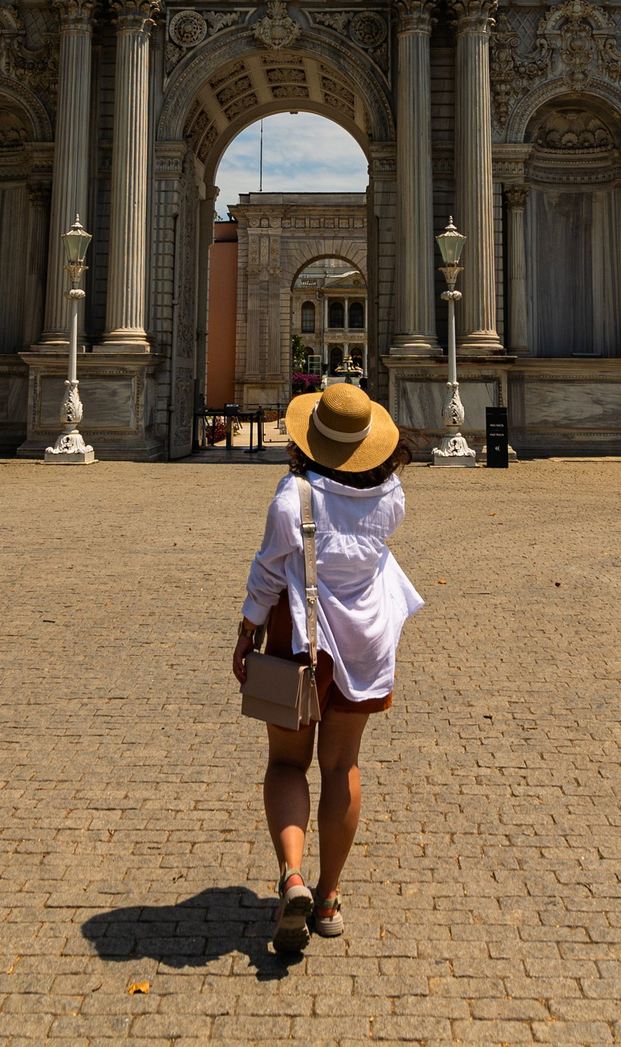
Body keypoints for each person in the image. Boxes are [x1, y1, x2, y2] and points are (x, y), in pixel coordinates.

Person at [231, 381, 423, 955]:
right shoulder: (391, 497)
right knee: (342, 766)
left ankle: (291, 876)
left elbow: (268, 573)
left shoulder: (294, 496)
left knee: (287, 764)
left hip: (300, 638)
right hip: (364, 642)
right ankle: (330, 895)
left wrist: (246, 632)